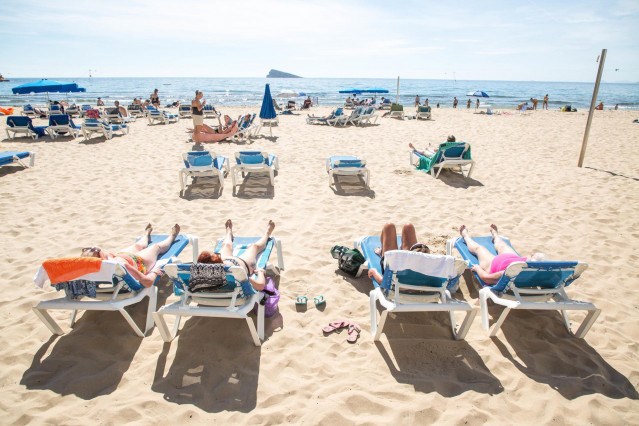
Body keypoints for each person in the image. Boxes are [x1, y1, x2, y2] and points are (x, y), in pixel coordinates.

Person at [80, 224, 180, 287]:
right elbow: (147, 282)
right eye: (99, 252)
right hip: (138, 262)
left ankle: (145, 236)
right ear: (101, 259)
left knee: (138, 245)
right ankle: (172, 237)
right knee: (156, 247)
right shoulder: (119, 266)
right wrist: (154, 272)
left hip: (121, 257)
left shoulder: (86, 272)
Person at [197, 219, 274, 291]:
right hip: (242, 263)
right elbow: (260, 286)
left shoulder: (199, 276)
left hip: (227, 262)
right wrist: (260, 272)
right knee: (254, 247)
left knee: (226, 245)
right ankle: (267, 233)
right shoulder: (236, 274)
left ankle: (229, 232)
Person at [459, 224, 546, 285]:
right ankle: (495, 236)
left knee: (479, 249)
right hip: (513, 260)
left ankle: (466, 236)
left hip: (493, 264)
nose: (531, 254)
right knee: (502, 246)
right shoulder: (542, 272)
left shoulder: (515, 271)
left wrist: (477, 269)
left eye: (532, 256)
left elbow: (488, 279)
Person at [367, 222, 431, 284]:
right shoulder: (431, 272)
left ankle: (383, 251)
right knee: (409, 227)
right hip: (412, 266)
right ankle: (403, 248)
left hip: (393, 265)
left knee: (389, 227)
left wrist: (373, 272)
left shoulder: (398, 276)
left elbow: (383, 281)